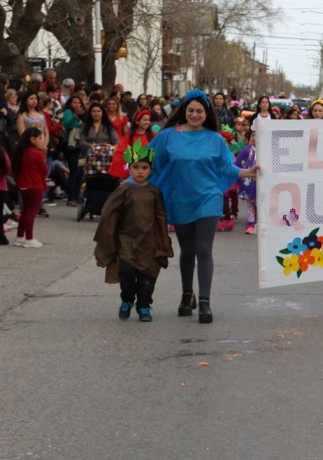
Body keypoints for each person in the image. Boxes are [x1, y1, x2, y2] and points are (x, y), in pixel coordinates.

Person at [146, 89, 259, 324]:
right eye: (191, 111)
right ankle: (187, 295)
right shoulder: (168, 136)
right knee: (187, 250)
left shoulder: (215, 139)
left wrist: (248, 172)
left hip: (209, 197)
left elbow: (226, 167)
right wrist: (128, 176)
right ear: (184, 111)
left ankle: (205, 302)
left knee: (204, 249)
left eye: (199, 111)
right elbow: (146, 159)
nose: (195, 115)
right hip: (180, 199)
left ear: (206, 114)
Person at [93, 141, 173, 322]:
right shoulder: (124, 189)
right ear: (129, 168)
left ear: (150, 170)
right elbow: (109, 213)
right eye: (136, 167)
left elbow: (161, 217)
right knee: (126, 273)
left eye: (144, 168)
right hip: (127, 240)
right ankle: (127, 300)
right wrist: (109, 237)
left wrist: (163, 241)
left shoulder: (154, 192)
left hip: (149, 242)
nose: (140, 172)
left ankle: (144, 305)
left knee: (148, 276)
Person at [11, 127, 48, 248]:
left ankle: (20, 236)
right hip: (35, 185)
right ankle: (29, 238)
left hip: (23, 185)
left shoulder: (21, 152)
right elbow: (45, 170)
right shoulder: (36, 153)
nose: (42, 141)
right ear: (32, 139)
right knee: (31, 213)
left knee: (25, 212)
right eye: (40, 138)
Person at [109, 109, 155, 179]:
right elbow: (120, 152)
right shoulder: (129, 136)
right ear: (137, 121)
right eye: (145, 120)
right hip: (133, 171)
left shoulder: (153, 134)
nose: (147, 122)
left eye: (148, 120)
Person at [235, 129, 258, 234]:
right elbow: (238, 163)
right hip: (248, 181)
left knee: (261, 203)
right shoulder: (247, 150)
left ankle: (262, 223)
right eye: (252, 135)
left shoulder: (267, 149)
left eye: (256, 135)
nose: (254, 138)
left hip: (261, 181)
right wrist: (239, 175)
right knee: (250, 203)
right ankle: (251, 223)